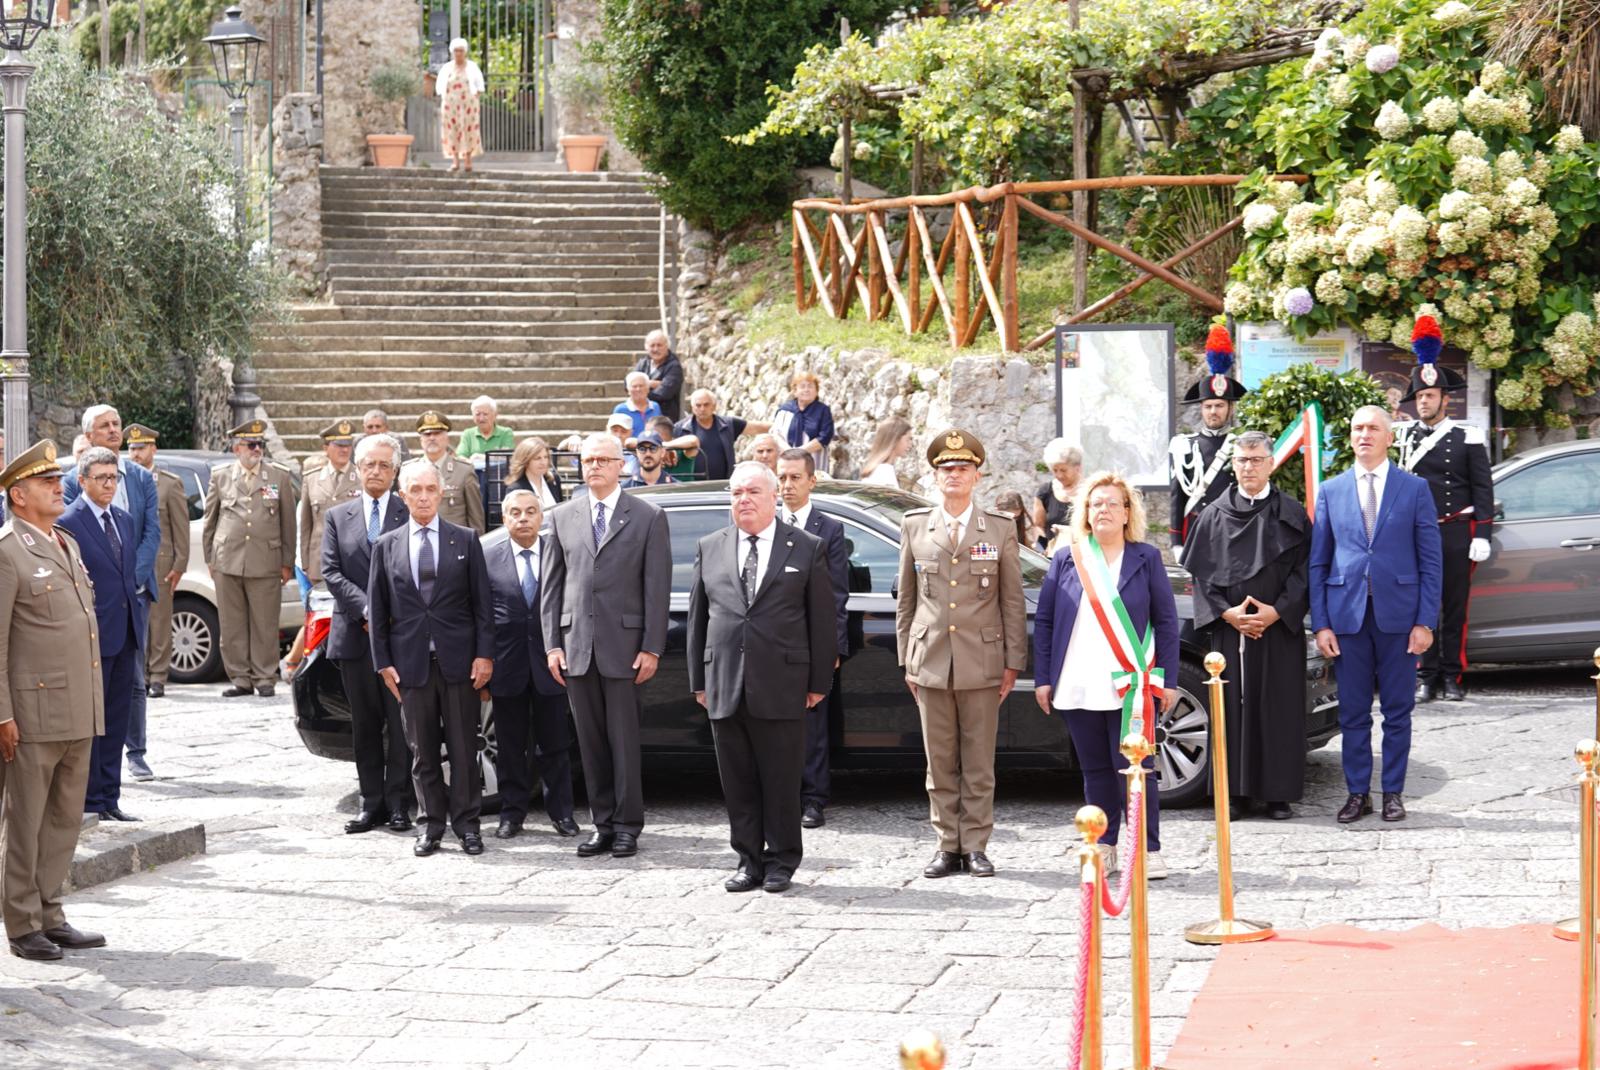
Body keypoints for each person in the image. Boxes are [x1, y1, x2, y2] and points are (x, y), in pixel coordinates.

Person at [688, 462, 836, 894]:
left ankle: (782, 861)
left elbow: (822, 621)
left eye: (753, 491)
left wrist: (817, 683)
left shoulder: (805, 547)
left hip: (783, 682)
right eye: (736, 493)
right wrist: (700, 680)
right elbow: (699, 619)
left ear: (775, 496)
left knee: (781, 778)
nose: (744, 500)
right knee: (738, 779)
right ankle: (748, 859)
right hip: (725, 683)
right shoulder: (711, 545)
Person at [895, 430, 1027, 879]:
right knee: (939, 760)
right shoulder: (915, 525)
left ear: (977, 476)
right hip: (930, 659)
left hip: (982, 660)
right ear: (935, 477)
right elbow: (907, 600)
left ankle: (976, 844)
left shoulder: (1000, 528)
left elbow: (1012, 600)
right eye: (947, 469)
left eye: (963, 468)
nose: (955, 475)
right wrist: (905, 659)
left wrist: (1013, 662)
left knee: (978, 760)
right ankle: (945, 845)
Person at [1033, 472, 1179, 878]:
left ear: (1128, 511)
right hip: (1078, 681)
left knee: (1137, 769)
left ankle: (1147, 849)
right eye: (1096, 503)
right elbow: (1045, 620)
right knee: (1095, 769)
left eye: (1113, 503)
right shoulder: (1067, 557)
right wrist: (1043, 676)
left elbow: (1166, 621)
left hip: (1130, 684)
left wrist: (1166, 679)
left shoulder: (1146, 557)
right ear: (1085, 512)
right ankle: (1106, 844)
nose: (1104, 510)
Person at [0, 440, 107, 962]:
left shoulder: (65, 541)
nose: (57, 487)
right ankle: (21, 923)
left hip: (77, 706)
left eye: (55, 479)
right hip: (31, 710)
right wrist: (2, 712)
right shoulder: (6, 550)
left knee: (64, 818)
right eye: (45, 483)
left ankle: (50, 911)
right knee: (24, 821)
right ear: (18, 495)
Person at [1310, 405, 1443, 825]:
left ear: (1389, 438)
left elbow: (1431, 560)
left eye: (1372, 428)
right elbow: (1319, 562)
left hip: (1399, 618)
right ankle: (1356, 793)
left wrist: (1425, 621)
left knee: (1398, 710)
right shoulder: (1331, 490)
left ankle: (1393, 793)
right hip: (1347, 617)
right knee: (1351, 712)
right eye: (1357, 428)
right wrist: (1322, 623)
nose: (1363, 434)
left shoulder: (1414, 488)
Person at [541, 433, 671, 860]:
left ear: (622, 465)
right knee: (591, 743)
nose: (593, 465)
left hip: (625, 646)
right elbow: (552, 588)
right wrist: (552, 645)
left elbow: (657, 588)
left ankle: (628, 825)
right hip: (577, 647)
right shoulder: (562, 516)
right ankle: (602, 823)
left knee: (623, 742)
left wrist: (652, 646)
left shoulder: (648, 516)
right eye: (587, 459)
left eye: (602, 459)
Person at [1181, 431, 1310, 820]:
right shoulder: (1213, 515)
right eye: (1242, 460)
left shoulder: (1292, 513)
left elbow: (1306, 572)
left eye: (1256, 459)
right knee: (1231, 711)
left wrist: (1277, 611)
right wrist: (1227, 613)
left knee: (1278, 707)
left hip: (1278, 628)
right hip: (1229, 630)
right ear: (1233, 464)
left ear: (1271, 463)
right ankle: (1233, 793)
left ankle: (1277, 794)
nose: (1248, 466)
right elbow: (1201, 578)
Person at [369, 461, 495, 857]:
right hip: (410, 665)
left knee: (463, 751)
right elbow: (378, 609)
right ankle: (430, 826)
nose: (423, 496)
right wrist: (383, 662)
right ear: (402, 495)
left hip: (459, 663)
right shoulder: (385, 546)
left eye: (430, 489)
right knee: (422, 754)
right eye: (414, 490)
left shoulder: (466, 539)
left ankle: (468, 826)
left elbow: (483, 606)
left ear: (441, 493)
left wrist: (484, 656)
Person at [1393, 315, 1493, 703]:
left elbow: (1483, 487)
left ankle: (1453, 676)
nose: (1424, 401)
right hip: (1418, 532)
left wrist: (1481, 532)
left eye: (1430, 396)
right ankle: (1426, 674)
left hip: (1455, 532)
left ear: (1444, 399)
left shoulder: (1466, 435)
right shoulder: (1404, 438)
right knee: (1421, 607)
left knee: (1454, 608)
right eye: (1419, 396)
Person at [320, 433, 414, 835]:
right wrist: (366, 609)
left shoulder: (409, 511)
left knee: (400, 723)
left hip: (400, 637)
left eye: (384, 466)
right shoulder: (338, 517)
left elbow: (415, 565)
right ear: (357, 470)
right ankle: (369, 802)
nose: (376, 472)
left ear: (395, 472)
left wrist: (389, 612)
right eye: (369, 465)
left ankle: (398, 803)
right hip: (356, 636)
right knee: (365, 724)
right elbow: (331, 571)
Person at [65, 406, 159, 780]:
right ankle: (93, 779)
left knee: (134, 680)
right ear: (89, 436)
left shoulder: (139, 477)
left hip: (134, 591)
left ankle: (135, 752)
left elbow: (151, 532)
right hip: (95, 600)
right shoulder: (74, 480)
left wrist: (131, 579)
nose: (114, 430)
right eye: (105, 426)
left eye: (117, 424)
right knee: (96, 685)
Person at [483, 490, 580, 840]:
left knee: (554, 745)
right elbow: (481, 615)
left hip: (551, 665)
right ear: (504, 518)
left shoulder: (559, 552)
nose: (523, 518)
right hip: (506, 666)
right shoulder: (488, 557)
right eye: (515, 512)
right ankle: (512, 814)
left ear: (542, 516)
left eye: (530, 511)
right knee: (509, 747)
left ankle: (562, 814)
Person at [60, 447, 147, 824]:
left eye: (114, 478)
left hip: (126, 634)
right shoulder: (69, 523)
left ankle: (110, 796)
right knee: (92, 723)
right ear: (82, 481)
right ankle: (91, 798)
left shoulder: (124, 520)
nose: (109, 485)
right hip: (92, 638)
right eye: (101, 478)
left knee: (116, 718)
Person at [776, 449, 850, 830]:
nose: (786, 486)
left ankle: (813, 798)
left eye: (794, 478)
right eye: (782, 478)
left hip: (808, 641)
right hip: (771, 640)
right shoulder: (764, 521)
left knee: (814, 724)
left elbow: (836, 595)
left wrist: (832, 647)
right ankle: (779, 794)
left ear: (811, 481)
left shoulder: (829, 529)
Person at [202, 420, 296, 699]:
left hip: (265, 559)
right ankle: (240, 678)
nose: (257, 450)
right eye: (251, 445)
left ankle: (265, 677)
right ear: (236, 448)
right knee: (231, 624)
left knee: (265, 623)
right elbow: (211, 519)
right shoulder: (221, 476)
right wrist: (210, 557)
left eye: (260, 444)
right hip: (227, 559)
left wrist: (287, 561)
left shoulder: (278, 476)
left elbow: (287, 522)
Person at [125, 425, 187, 713]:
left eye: (141, 447)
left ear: (153, 450)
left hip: (160, 561)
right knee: (135, 623)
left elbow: (180, 527)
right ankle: (142, 675)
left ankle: (159, 676)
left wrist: (179, 564)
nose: (136, 453)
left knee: (160, 622)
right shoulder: (123, 479)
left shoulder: (169, 483)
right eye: (133, 448)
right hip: (129, 560)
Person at [1169, 322, 1247, 549]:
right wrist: (1176, 542)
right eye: (1209, 406)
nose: (1214, 411)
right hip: (1199, 533)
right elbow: (1177, 497)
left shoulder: (1241, 444)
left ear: (1230, 409)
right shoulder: (1185, 447)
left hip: (1236, 531)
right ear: (1201, 408)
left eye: (1220, 406)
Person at [298, 420, 362, 596]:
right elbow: (306, 525)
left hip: (354, 563)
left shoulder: (362, 477)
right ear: (326, 448)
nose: (344, 450)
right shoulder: (311, 478)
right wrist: (306, 562)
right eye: (338, 445)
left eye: (348, 445)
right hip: (319, 564)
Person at [675, 390, 772, 482]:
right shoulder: (680, 428)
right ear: (692, 408)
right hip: (692, 486)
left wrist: (783, 424)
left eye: (706, 405)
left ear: (714, 406)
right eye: (698, 405)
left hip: (723, 485)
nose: (702, 409)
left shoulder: (728, 425)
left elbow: (757, 427)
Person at [415, 411, 485, 533]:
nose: (432, 438)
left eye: (437, 433)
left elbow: (476, 517)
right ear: (421, 440)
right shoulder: (409, 471)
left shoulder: (464, 471)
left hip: (455, 545)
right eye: (427, 434)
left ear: (447, 438)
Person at [436, 37, 484, 173]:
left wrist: (474, 98)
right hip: (451, 106)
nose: (458, 53)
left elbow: (480, 86)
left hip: (468, 106)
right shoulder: (447, 68)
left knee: (469, 130)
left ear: (465, 52)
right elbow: (440, 87)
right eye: (456, 51)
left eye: (461, 51)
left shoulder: (472, 67)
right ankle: (455, 161)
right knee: (452, 131)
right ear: (452, 52)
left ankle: (468, 160)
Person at [773, 372, 835, 473]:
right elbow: (776, 434)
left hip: (814, 464)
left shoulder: (823, 411)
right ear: (795, 391)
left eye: (810, 386)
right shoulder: (785, 410)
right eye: (802, 386)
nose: (806, 390)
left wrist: (800, 451)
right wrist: (789, 452)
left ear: (816, 391)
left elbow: (825, 436)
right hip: (787, 462)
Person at [1032, 439, 1082, 554]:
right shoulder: (1045, 492)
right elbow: (1039, 526)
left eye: (1064, 470)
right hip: (1052, 557)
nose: (1059, 475)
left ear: (1077, 467)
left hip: (1081, 557)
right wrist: (1041, 549)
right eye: (1055, 470)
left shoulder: (1089, 492)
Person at [634, 329, 684, 422]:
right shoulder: (643, 363)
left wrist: (640, 388)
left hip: (663, 418)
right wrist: (652, 384)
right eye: (652, 345)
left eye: (659, 345)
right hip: (641, 414)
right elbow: (628, 383)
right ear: (646, 347)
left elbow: (663, 393)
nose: (656, 349)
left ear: (666, 346)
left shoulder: (674, 366)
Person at [506, 436, 564, 510]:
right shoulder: (516, 489)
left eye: (545, 457)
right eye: (538, 458)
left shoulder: (553, 480)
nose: (543, 462)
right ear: (526, 461)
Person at [456, 395, 515, 464]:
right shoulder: (468, 434)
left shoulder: (506, 433)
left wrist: (482, 458)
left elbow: (508, 457)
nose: (481, 418)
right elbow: (460, 456)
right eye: (477, 414)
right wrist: (471, 463)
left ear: (495, 415)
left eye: (485, 414)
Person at [858, 417, 913, 488]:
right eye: (908, 439)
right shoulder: (883, 472)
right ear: (895, 439)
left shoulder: (881, 469)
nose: (910, 445)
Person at [647, 415, 701, 481]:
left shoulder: (680, 452)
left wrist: (664, 446)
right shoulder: (646, 452)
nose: (646, 437)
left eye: (649, 434)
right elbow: (630, 442)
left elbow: (694, 441)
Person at [612, 372, 663, 438]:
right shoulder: (620, 409)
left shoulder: (655, 407)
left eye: (641, 386)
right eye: (634, 386)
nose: (638, 389)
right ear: (628, 390)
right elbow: (614, 435)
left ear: (648, 389)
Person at [604, 413, 642, 480]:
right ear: (607, 430)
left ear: (631, 432)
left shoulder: (635, 454)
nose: (618, 435)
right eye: (614, 430)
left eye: (624, 432)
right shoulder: (597, 449)